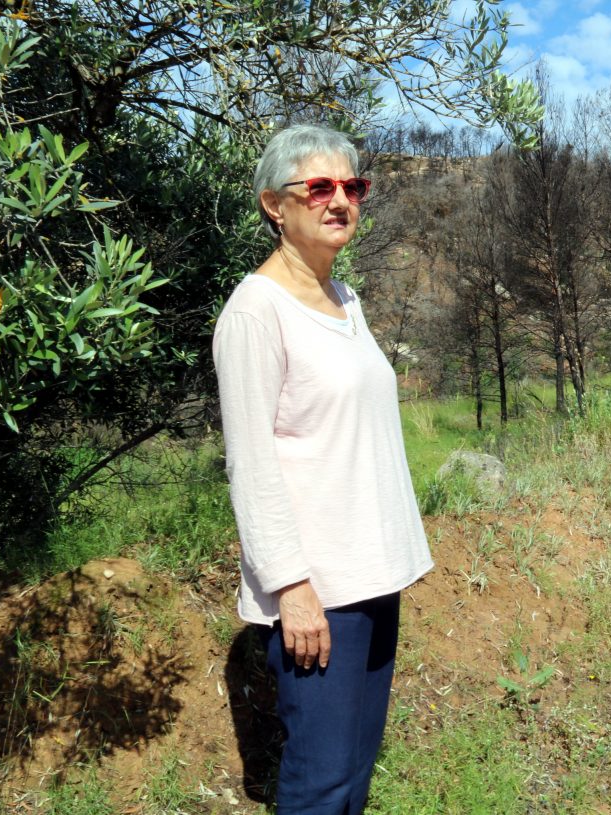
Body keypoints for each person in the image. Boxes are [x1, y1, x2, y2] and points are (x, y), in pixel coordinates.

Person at [213, 123, 433, 814]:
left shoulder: (345, 301)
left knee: (353, 777)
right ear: (275, 205)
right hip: (320, 592)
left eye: (353, 186)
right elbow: (251, 466)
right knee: (319, 782)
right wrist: (292, 588)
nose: (340, 200)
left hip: (373, 575)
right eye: (320, 186)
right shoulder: (255, 313)